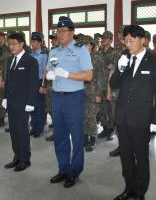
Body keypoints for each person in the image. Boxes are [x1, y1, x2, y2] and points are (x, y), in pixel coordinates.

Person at [110, 25, 156, 200]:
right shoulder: (124, 59)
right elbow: (114, 84)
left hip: (142, 118)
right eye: (125, 41)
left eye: (131, 40)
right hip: (123, 117)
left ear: (143, 40)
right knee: (125, 157)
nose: (128, 44)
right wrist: (119, 69)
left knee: (141, 158)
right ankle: (129, 189)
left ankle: (140, 193)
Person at [46, 16, 93, 188]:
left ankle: (74, 172)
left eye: (63, 31)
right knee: (60, 136)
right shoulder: (54, 52)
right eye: (58, 31)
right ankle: (63, 169)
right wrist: (49, 75)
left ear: (72, 32)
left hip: (74, 97)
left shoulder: (81, 50)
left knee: (77, 137)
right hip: (57, 97)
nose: (60, 34)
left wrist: (67, 74)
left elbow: (88, 75)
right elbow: (48, 72)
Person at [4, 32, 39, 172]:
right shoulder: (10, 60)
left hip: (24, 103)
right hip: (12, 102)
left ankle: (25, 159)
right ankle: (17, 157)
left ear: (22, 44)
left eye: (14, 44)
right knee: (13, 130)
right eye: (9, 44)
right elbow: (8, 81)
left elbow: (33, 84)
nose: (11, 47)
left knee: (22, 131)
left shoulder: (30, 61)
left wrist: (31, 102)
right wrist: (5, 98)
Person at [81, 35, 106, 152]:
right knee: (82, 116)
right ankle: (84, 138)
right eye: (81, 44)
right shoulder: (79, 58)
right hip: (80, 92)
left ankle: (92, 139)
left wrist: (99, 94)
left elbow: (101, 77)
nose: (83, 47)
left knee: (91, 117)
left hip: (93, 91)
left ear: (91, 45)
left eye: (85, 44)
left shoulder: (97, 59)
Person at [98, 30, 121, 141]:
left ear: (111, 40)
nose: (103, 40)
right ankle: (105, 127)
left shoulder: (115, 53)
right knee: (101, 109)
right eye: (102, 38)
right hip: (99, 84)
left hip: (110, 85)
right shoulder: (98, 52)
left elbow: (112, 68)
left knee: (111, 109)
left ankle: (112, 129)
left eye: (106, 38)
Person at [30, 32, 48, 138]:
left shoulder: (43, 56)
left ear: (40, 43)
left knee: (40, 107)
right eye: (32, 42)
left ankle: (39, 128)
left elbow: (45, 72)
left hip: (39, 82)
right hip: (30, 83)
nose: (33, 44)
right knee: (32, 106)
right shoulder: (29, 55)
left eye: (35, 42)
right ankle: (33, 126)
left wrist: (43, 85)